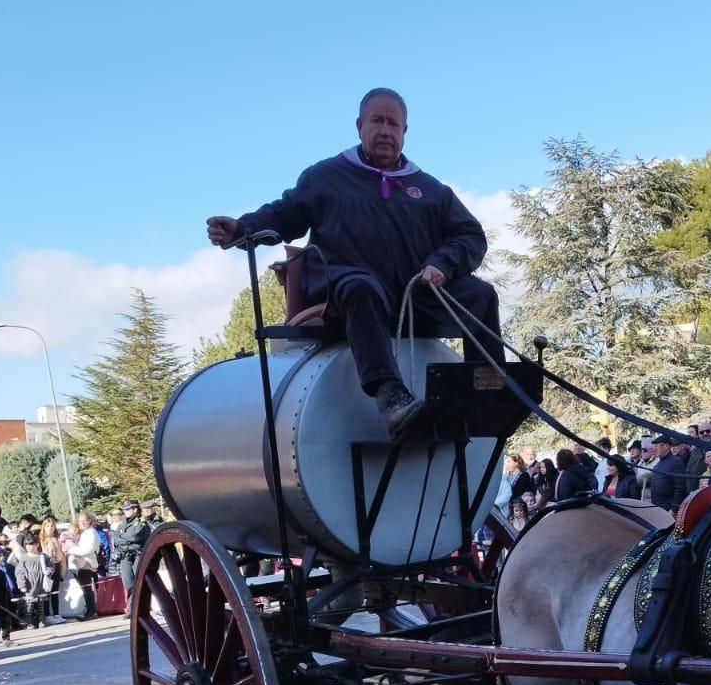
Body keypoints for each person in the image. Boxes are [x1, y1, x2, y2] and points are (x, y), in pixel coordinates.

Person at [206, 87, 500, 438]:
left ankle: (490, 391)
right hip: (347, 292)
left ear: (405, 131)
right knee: (362, 287)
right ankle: (391, 397)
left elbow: (470, 235)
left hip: (413, 295)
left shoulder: (430, 190)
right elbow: (284, 215)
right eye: (377, 121)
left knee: (481, 294)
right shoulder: (325, 177)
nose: (386, 130)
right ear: (360, 125)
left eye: (394, 123)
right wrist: (242, 229)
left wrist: (442, 264)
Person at [111, 501, 151, 600]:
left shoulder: (142, 521)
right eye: (124, 509)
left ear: (135, 509)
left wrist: (123, 539)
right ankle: (131, 607)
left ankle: (139, 608)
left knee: (139, 582)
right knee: (128, 583)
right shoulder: (122, 523)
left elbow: (135, 536)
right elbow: (115, 538)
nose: (125, 511)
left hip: (138, 554)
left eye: (127, 509)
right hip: (125, 555)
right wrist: (126, 540)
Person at [647, 433, 693, 515]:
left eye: (657, 446)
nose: (654, 449)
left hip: (669, 510)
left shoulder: (676, 462)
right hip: (658, 508)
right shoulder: (658, 465)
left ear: (666, 446)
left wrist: (673, 509)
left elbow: (680, 488)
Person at [68, 511, 103, 619]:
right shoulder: (85, 533)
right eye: (80, 521)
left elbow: (88, 549)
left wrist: (72, 550)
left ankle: (91, 611)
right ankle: (89, 609)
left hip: (87, 563)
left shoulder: (91, 532)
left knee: (87, 589)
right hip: (82, 564)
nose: (82, 523)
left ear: (89, 521)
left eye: (84, 521)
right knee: (85, 589)